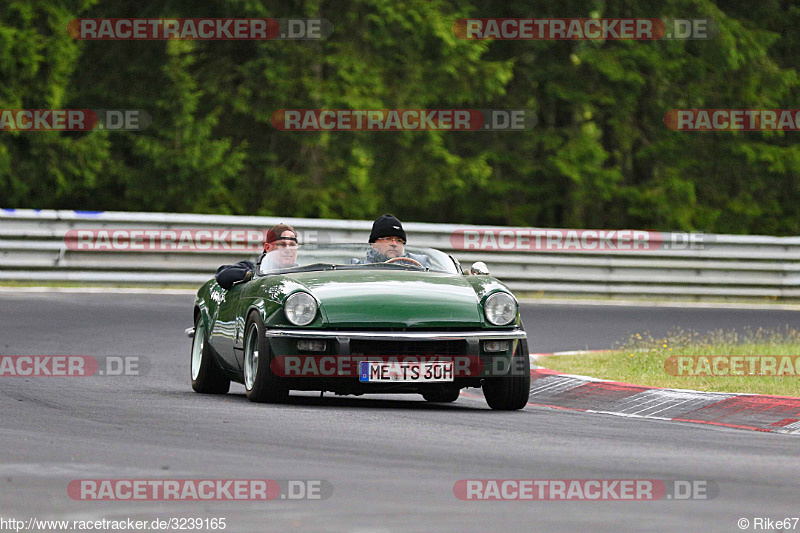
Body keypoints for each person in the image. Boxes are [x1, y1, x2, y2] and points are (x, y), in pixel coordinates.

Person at [215, 224, 298, 289]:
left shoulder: (302, 272)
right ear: (267, 248)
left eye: (292, 245)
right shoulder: (252, 268)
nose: (288, 249)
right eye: (282, 244)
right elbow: (223, 275)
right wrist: (251, 275)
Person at [359, 214, 430, 267]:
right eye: (388, 239)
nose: (394, 244)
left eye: (399, 240)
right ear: (373, 244)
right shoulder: (359, 268)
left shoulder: (420, 264)